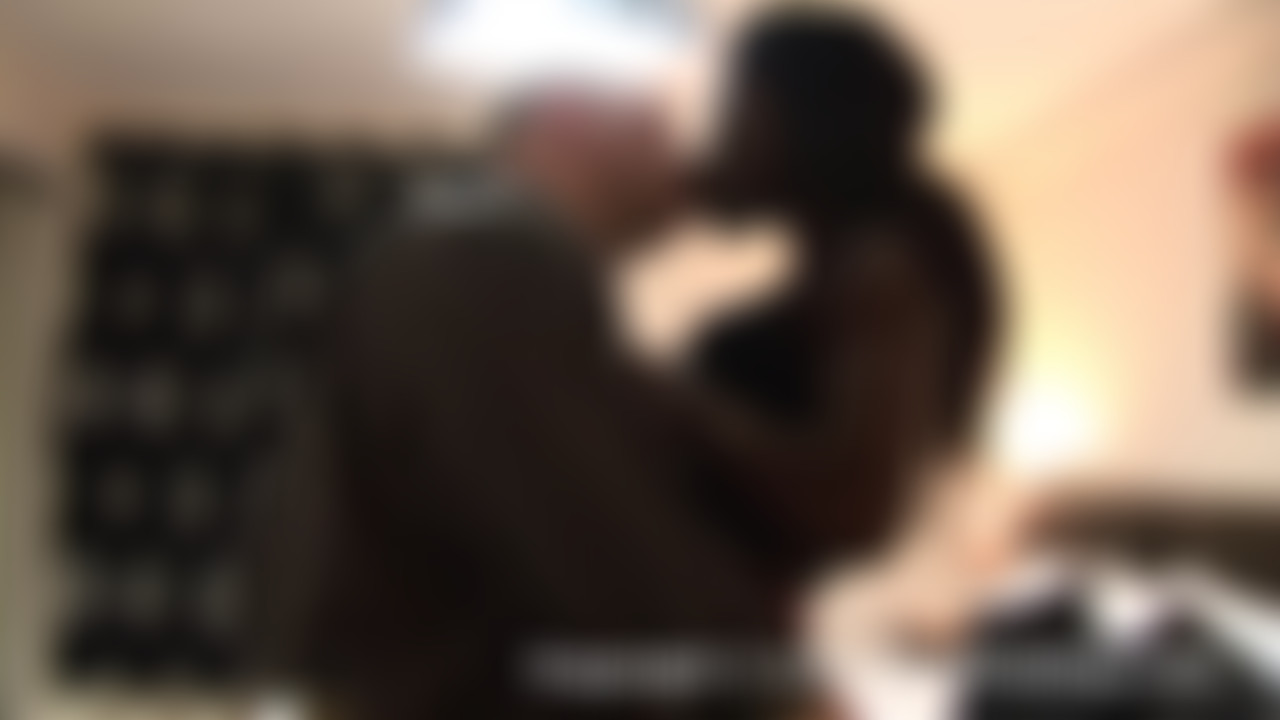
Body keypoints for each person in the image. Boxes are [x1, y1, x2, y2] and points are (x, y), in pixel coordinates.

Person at [257, 88, 786, 719]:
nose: (680, 159)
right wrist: (777, 686)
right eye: (653, 130)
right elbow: (611, 567)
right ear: (570, 114)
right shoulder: (483, 262)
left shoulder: (473, 266)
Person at [689, 7, 1001, 589]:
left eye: (738, 109)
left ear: (791, 122)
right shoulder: (843, 275)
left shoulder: (881, 269)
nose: (720, 133)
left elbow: (858, 508)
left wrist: (671, 407)